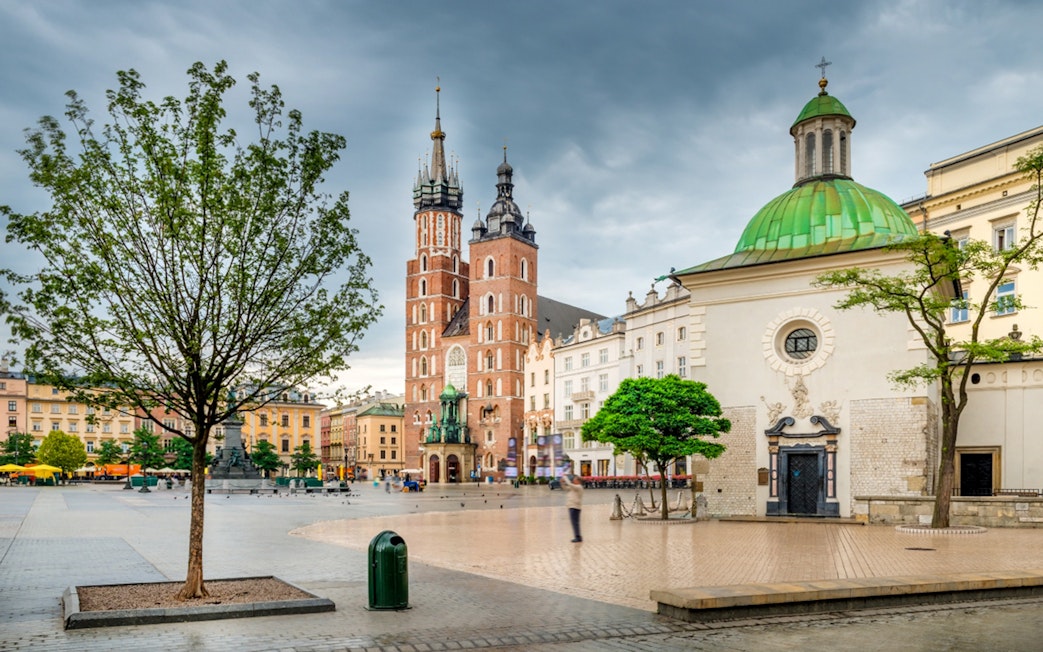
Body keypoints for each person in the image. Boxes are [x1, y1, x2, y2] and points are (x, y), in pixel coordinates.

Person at [560, 458, 583, 542]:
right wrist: (562, 482)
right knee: (574, 522)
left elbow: (569, 484)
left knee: (575, 522)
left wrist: (565, 477)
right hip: (571, 506)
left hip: (575, 507)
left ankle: (578, 537)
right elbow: (565, 488)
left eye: (575, 479)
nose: (573, 480)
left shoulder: (578, 487)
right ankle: (577, 536)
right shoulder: (574, 487)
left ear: (578, 481)